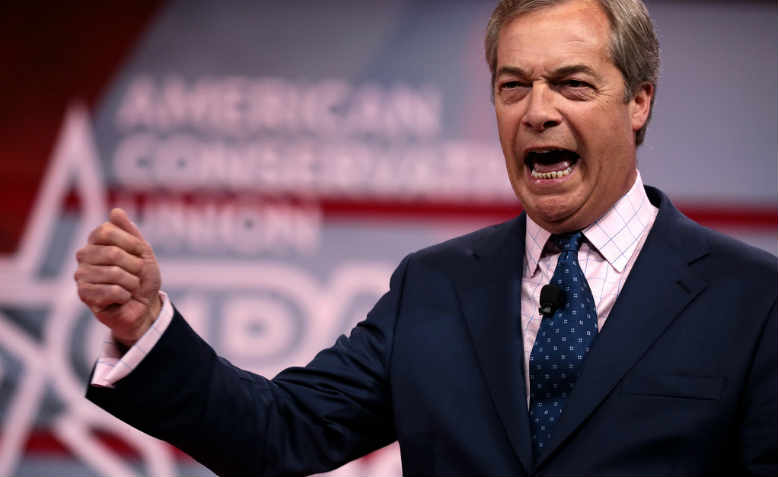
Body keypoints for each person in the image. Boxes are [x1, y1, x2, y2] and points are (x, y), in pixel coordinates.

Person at [75, 0, 777, 475]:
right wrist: (145, 328)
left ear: (639, 100)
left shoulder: (752, 300)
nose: (537, 111)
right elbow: (281, 429)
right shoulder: (434, 285)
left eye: (571, 84)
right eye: (513, 86)